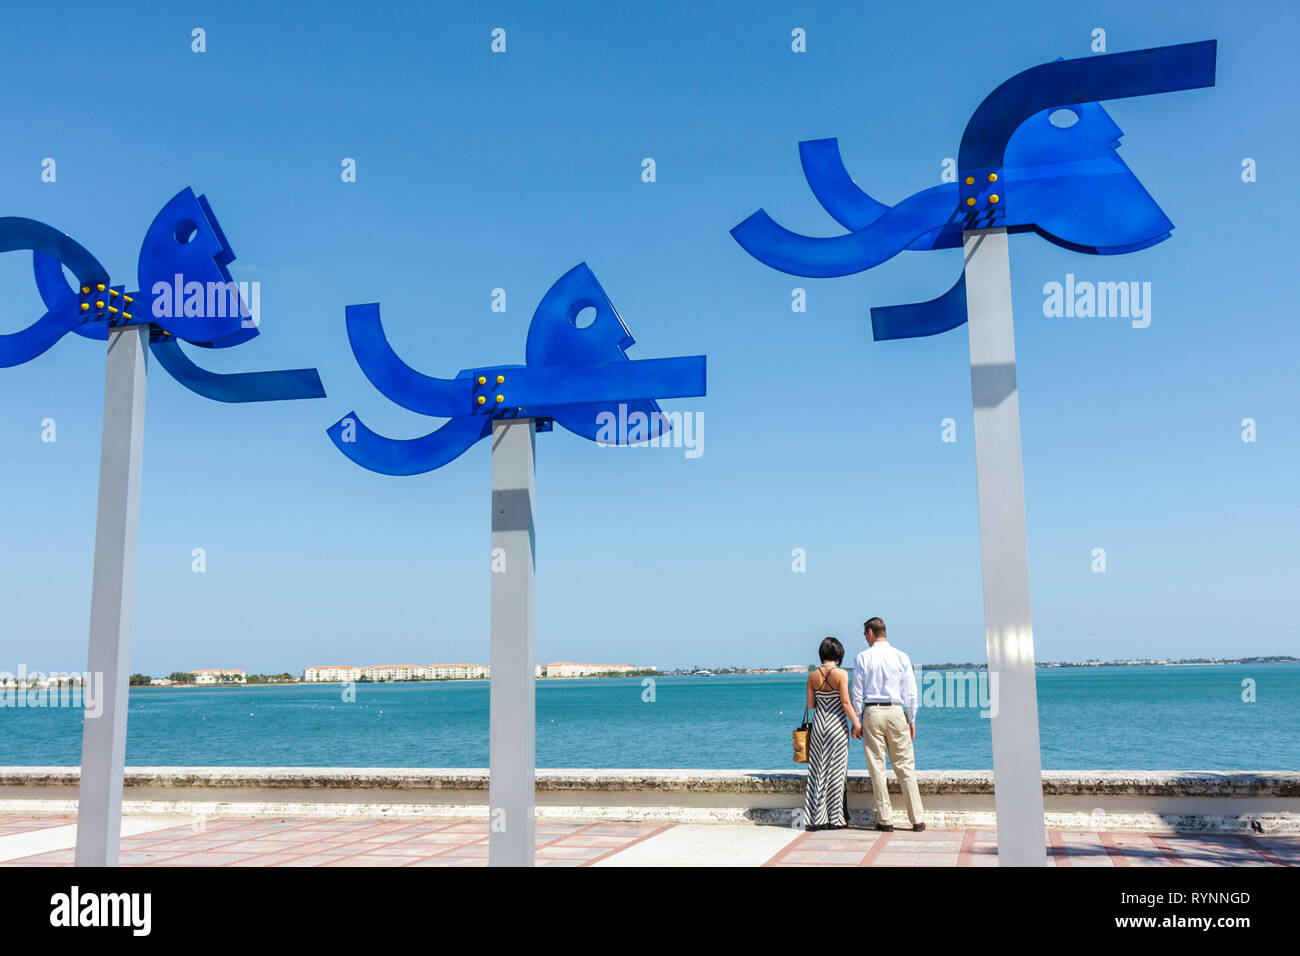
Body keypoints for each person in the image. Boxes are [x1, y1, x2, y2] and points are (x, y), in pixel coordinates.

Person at [850, 617, 926, 832]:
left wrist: (856, 721)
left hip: (872, 711)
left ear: (871, 633)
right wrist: (911, 719)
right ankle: (917, 818)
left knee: (877, 767)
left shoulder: (863, 657)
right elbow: (911, 692)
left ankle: (885, 820)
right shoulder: (901, 657)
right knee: (905, 766)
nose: (865, 638)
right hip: (895, 711)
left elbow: (857, 692)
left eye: (865, 634)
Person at [801, 637, 860, 830]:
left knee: (817, 771)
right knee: (837, 772)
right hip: (836, 725)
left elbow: (811, 705)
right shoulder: (841, 674)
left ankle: (817, 819)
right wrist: (857, 724)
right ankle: (836, 819)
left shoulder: (812, 675)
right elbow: (845, 703)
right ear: (839, 654)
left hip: (819, 725)